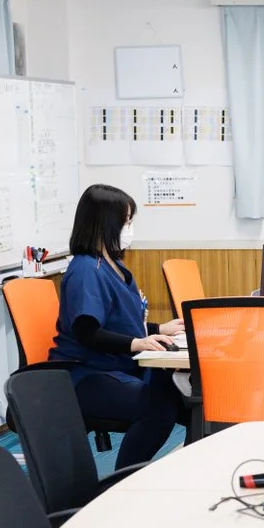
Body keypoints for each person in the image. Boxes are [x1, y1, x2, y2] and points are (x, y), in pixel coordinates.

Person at [49, 184, 185, 467]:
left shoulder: (114, 266)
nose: (129, 229)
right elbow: (87, 331)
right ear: (105, 223)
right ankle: (122, 480)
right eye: (126, 222)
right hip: (86, 374)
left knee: (187, 397)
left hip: (118, 366)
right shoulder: (87, 270)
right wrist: (137, 343)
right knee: (157, 408)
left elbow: (120, 323)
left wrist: (158, 330)